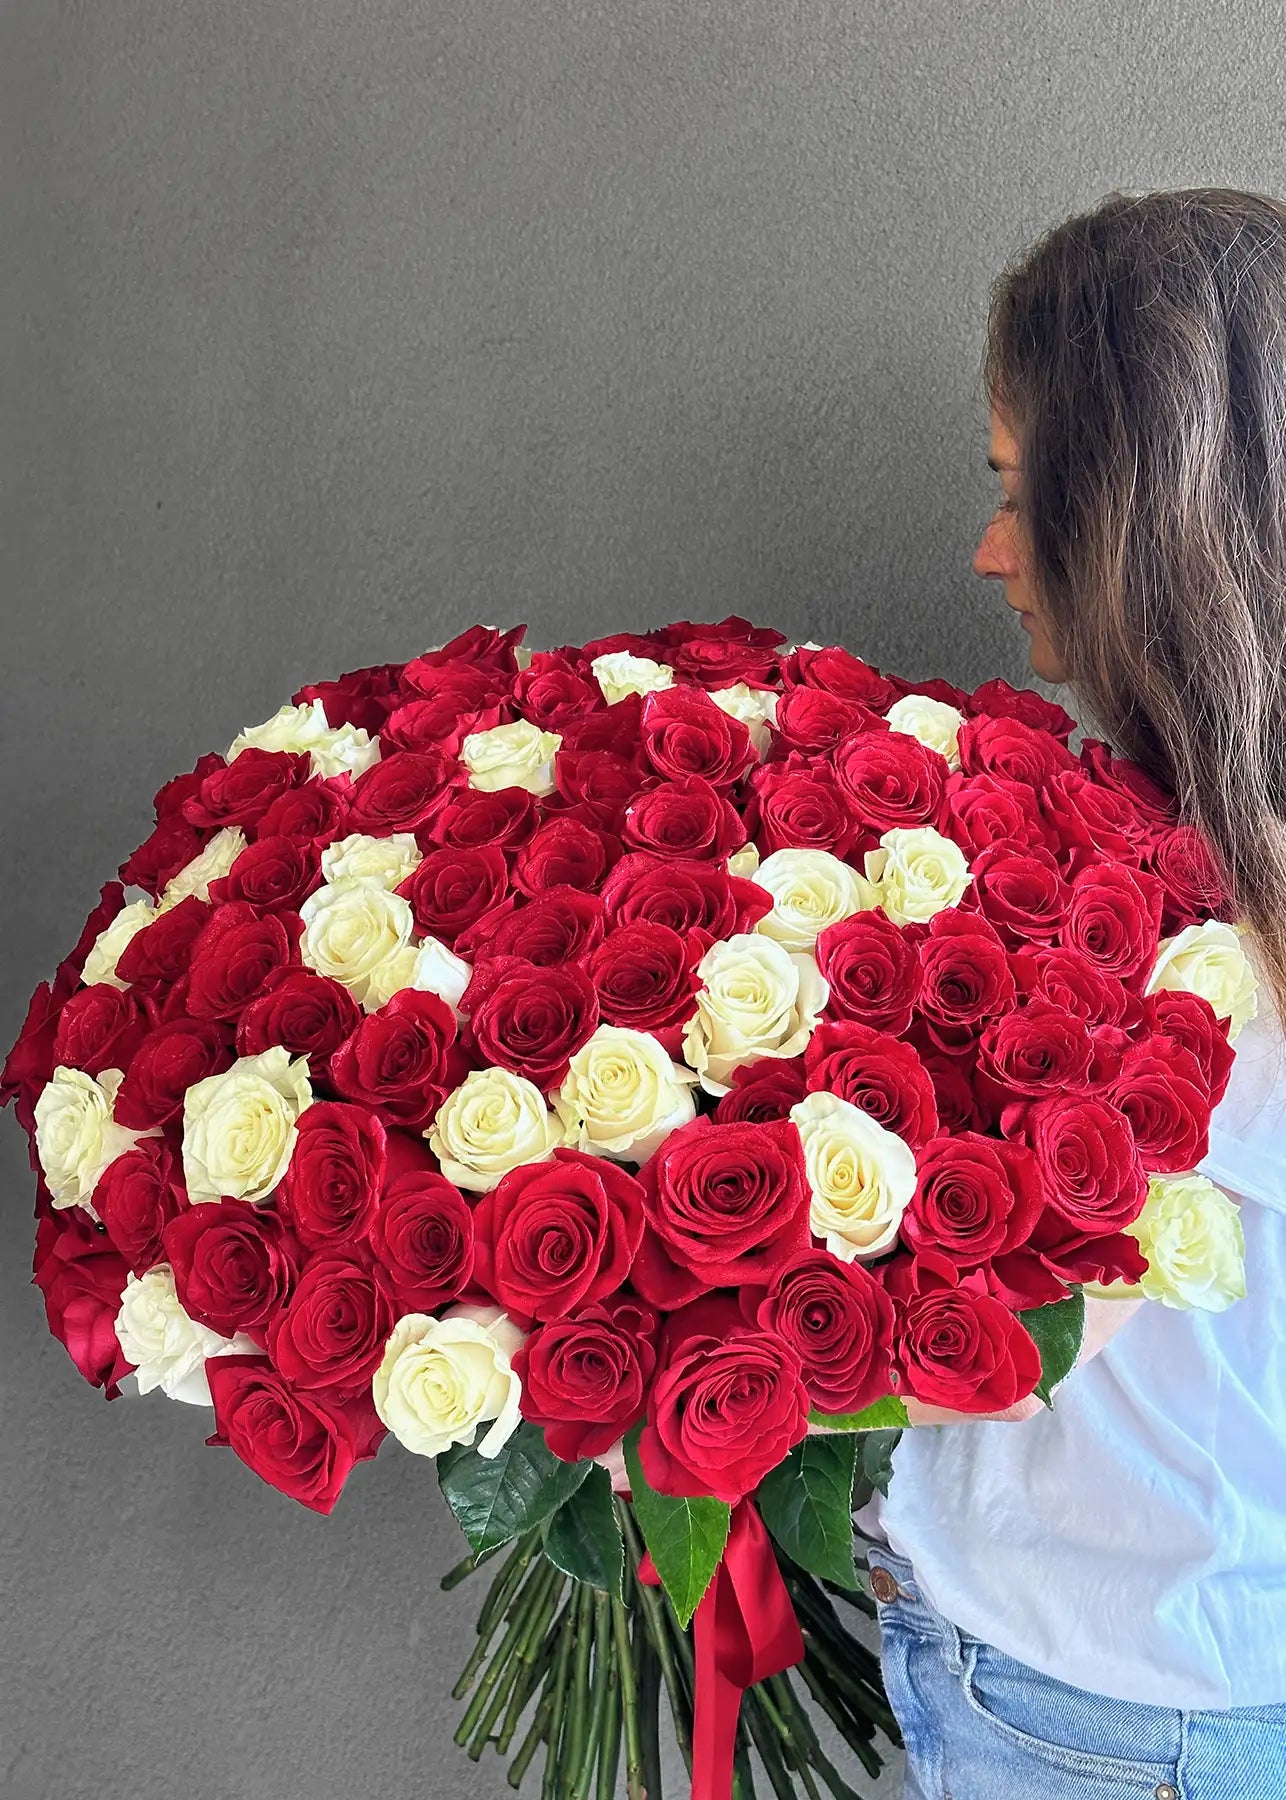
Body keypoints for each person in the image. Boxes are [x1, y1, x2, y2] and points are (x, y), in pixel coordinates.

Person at [857, 186, 1286, 1799]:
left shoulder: (1197, 944)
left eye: (1021, 492)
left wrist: (600, 1368)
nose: (985, 550)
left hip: (1115, 1709)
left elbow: (1003, 1336)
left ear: (1148, 527)